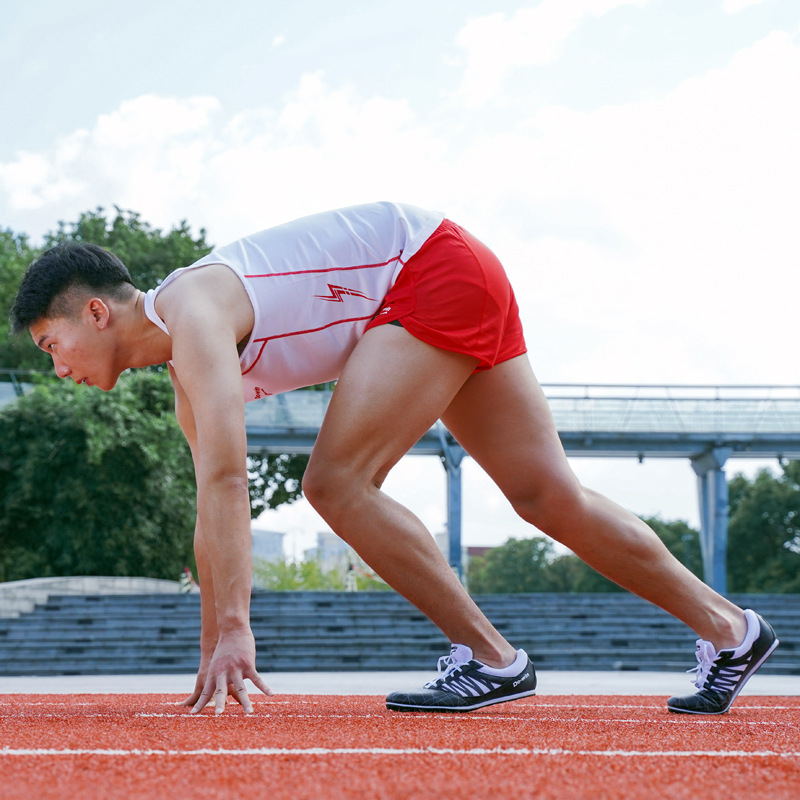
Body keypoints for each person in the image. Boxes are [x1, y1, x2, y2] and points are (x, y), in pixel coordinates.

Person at [10, 201, 778, 716]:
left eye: (51, 345)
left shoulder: (194, 308)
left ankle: (492, 659)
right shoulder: (187, 370)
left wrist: (238, 628)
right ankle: (730, 629)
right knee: (547, 495)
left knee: (336, 483)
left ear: (97, 313)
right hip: (448, 269)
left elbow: (228, 477)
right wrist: (216, 650)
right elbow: (213, 508)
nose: (57, 367)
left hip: (426, 269)